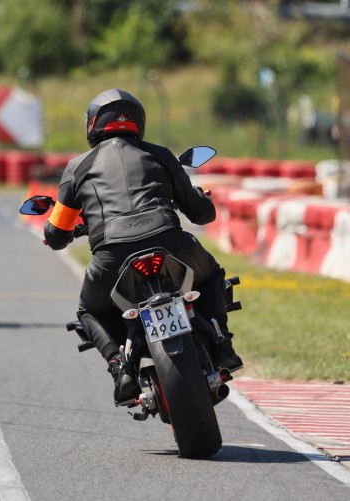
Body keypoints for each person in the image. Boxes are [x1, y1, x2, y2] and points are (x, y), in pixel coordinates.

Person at [43, 88, 242, 404]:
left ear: (92, 125)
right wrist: (203, 197)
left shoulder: (76, 167)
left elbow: (55, 234)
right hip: (171, 243)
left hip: (112, 256)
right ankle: (220, 342)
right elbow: (201, 213)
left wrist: (68, 230)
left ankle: (118, 365)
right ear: (139, 121)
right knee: (211, 274)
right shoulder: (160, 154)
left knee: (89, 310)